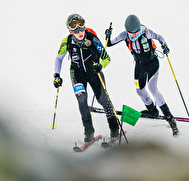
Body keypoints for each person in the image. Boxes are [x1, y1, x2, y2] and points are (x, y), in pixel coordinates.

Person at [105, 14, 179, 136]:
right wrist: (108, 35)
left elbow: (160, 37)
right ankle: (152, 110)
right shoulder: (124, 35)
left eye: (136, 32)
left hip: (152, 63)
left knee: (152, 89)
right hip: (139, 65)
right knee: (139, 90)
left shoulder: (147, 33)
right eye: (131, 33)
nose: (134, 35)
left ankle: (169, 116)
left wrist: (165, 46)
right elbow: (110, 44)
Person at [53, 13, 119, 142]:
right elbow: (58, 58)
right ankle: (88, 131)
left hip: (94, 72)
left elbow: (107, 58)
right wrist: (57, 75)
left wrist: (100, 66)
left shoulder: (92, 38)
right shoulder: (67, 41)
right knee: (82, 99)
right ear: (70, 30)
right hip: (77, 74)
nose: (79, 31)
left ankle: (114, 127)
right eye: (75, 28)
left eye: (81, 26)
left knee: (103, 100)